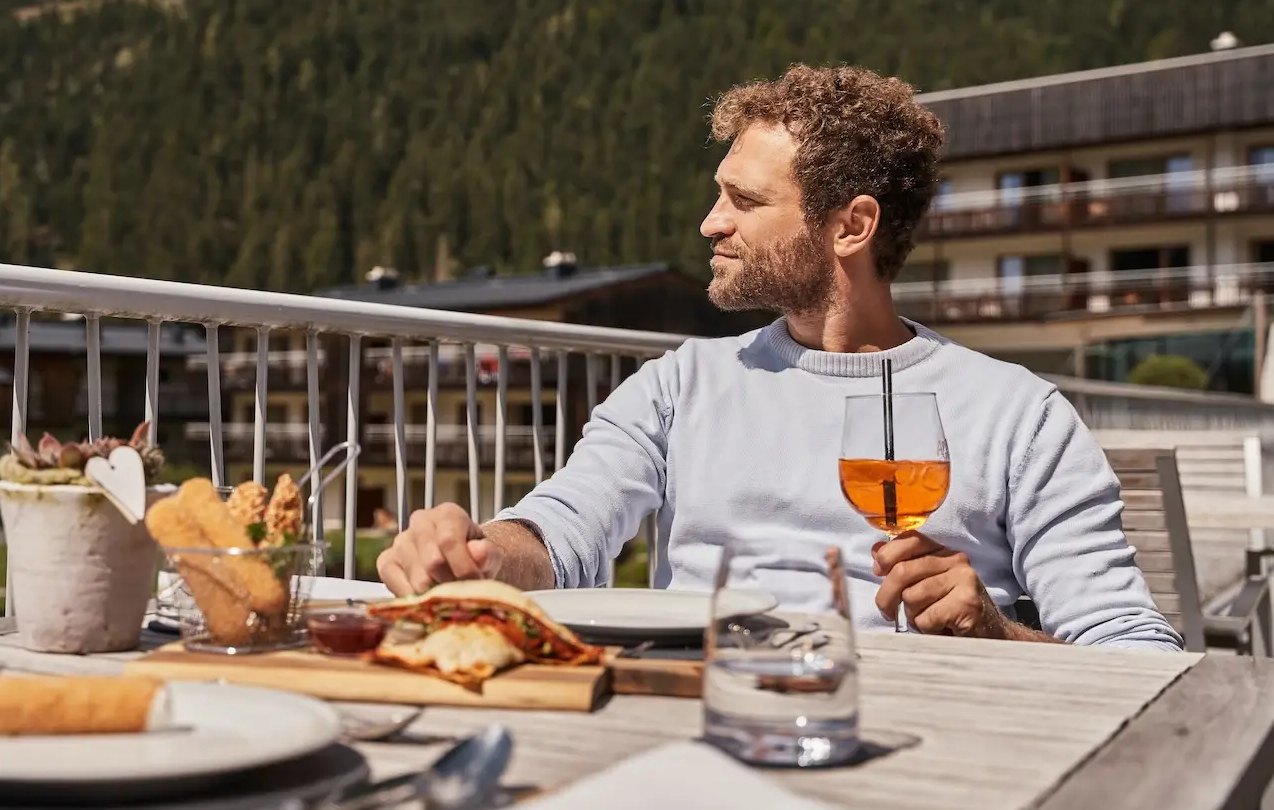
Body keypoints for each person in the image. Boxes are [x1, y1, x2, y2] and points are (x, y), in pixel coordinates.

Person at [375, 64, 1181, 650]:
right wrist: (478, 554)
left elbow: (1134, 654)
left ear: (850, 226)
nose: (709, 224)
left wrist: (1000, 632)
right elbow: (562, 535)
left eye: (744, 201)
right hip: (695, 725)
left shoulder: (1017, 414)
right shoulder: (677, 386)